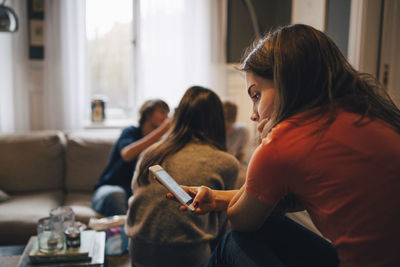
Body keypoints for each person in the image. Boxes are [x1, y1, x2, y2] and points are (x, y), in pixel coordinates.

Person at [169, 24, 400, 267]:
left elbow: (241, 220)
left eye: (256, 95)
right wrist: (215, 197)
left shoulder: (285, 140)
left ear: (286, 81)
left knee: (232, 243)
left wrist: (266, 143)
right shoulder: (367, 113)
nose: (253, 115)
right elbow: (285, 200)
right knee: (271, 223)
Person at [125, 86, 239, 267]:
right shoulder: (226, 162)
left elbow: (135, 196)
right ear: (217, 120)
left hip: (139, 249)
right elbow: (223, 226)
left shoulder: (150, 152)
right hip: (186, 254)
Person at [92, 99, 170, 217]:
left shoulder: (161, 142)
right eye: (162, 112)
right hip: (110, 188)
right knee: (116, 195)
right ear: (148, 113)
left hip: (135, 192)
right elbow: (127, 154)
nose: (166, 117)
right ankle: (122, 234)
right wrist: (162, 130)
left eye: (167, 113)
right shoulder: (130, 132)